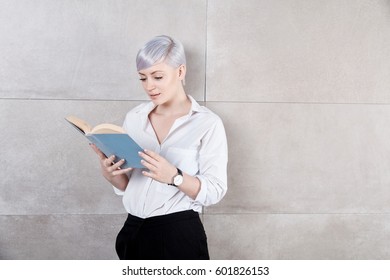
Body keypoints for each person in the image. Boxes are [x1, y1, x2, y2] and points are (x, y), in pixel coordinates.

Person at [91, 35, 228, 260]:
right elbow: (128, 186)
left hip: (178, 233)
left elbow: (215, 191)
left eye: (157, 77)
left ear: (180, 72)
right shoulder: (134, 118)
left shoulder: (207, 123)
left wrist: (175, 177)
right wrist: (112, 175)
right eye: (143, 78)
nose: (149, 86)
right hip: (132, 230)